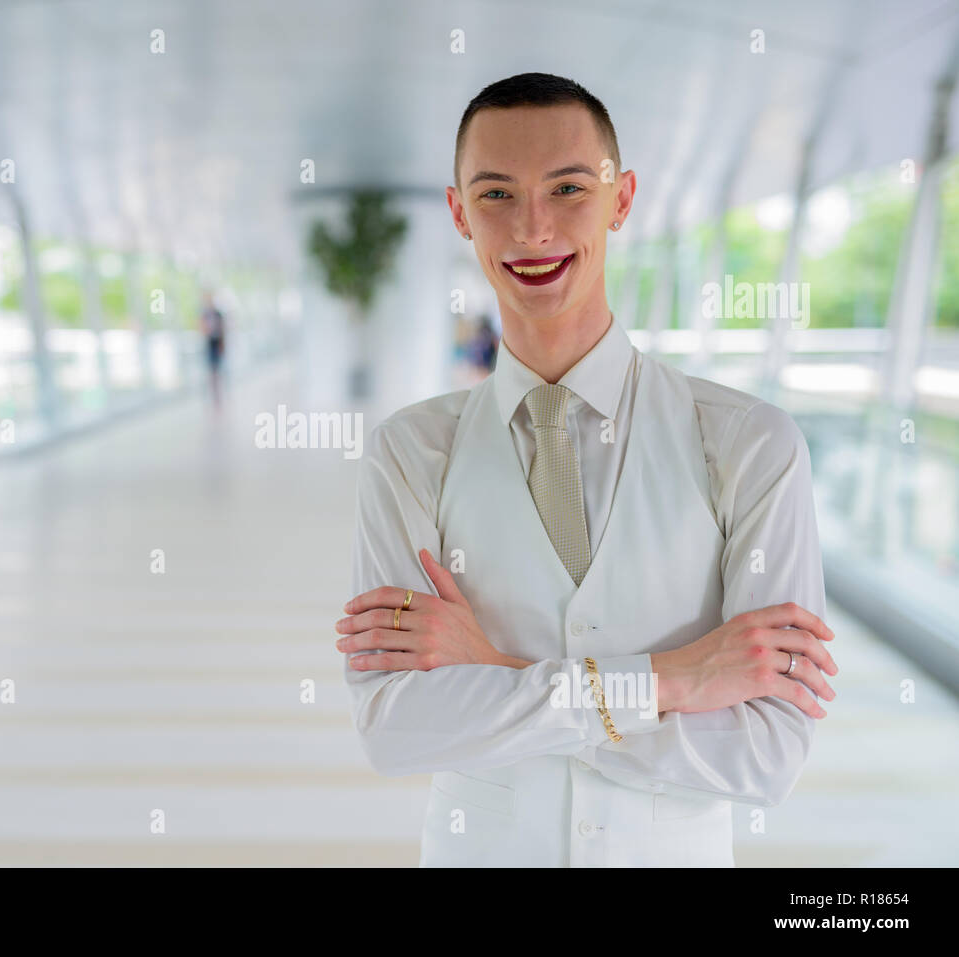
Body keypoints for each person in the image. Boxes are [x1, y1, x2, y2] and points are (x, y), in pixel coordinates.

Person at [336, 73, 837, 867]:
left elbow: (767, 751)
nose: (533, 227)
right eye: (496, 194)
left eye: (568, 187)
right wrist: (671, 680)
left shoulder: (751, 445)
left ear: (622, 197)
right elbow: (398, 728)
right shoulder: (409, 452)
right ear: (460, 212)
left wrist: (498, 673)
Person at [199, 290, 226, 408]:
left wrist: (222, 343)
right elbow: (201, 328)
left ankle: (220, 391)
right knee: (211, 369)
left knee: (218, 368)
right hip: (209, 343)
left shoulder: (217, 313)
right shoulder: (204, 314)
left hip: (217, 342)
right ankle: (214, 393)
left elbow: (222, 328)